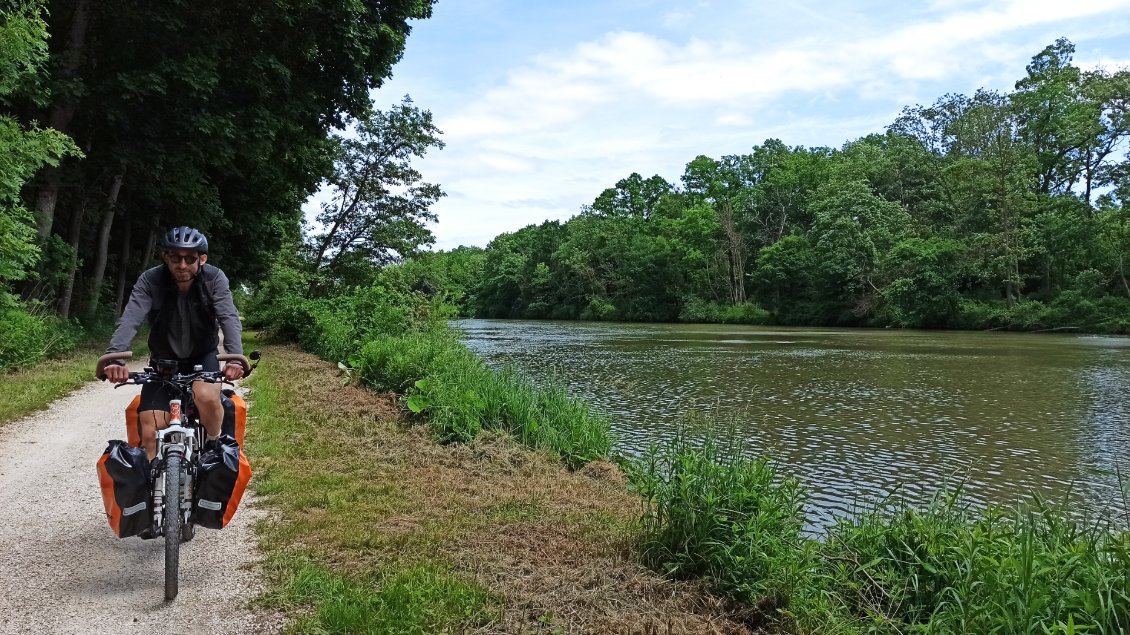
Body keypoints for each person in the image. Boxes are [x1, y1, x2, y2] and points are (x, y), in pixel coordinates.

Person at [103, 226, 244, 460]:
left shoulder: (214, 279)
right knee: (149, 433)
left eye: (190, 258)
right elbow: (131, 317)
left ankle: (212, 444)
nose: (182, 265)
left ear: (202, 259)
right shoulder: (151, 280)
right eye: (175, 258)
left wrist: (234, 357)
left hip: (202, 357)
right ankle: (154, 493)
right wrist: (115, 357)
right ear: (165, 257)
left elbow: (228, 317)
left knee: (208, 398)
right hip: (163, 362)